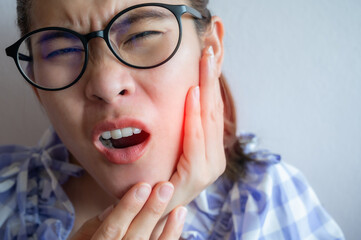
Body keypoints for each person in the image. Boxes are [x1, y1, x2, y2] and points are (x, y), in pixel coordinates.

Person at [1, 0, 344, 239]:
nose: (106, 85)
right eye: (62, 50)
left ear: (210, 50)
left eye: (141, 36)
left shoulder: (269, 202)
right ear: (36, 85)